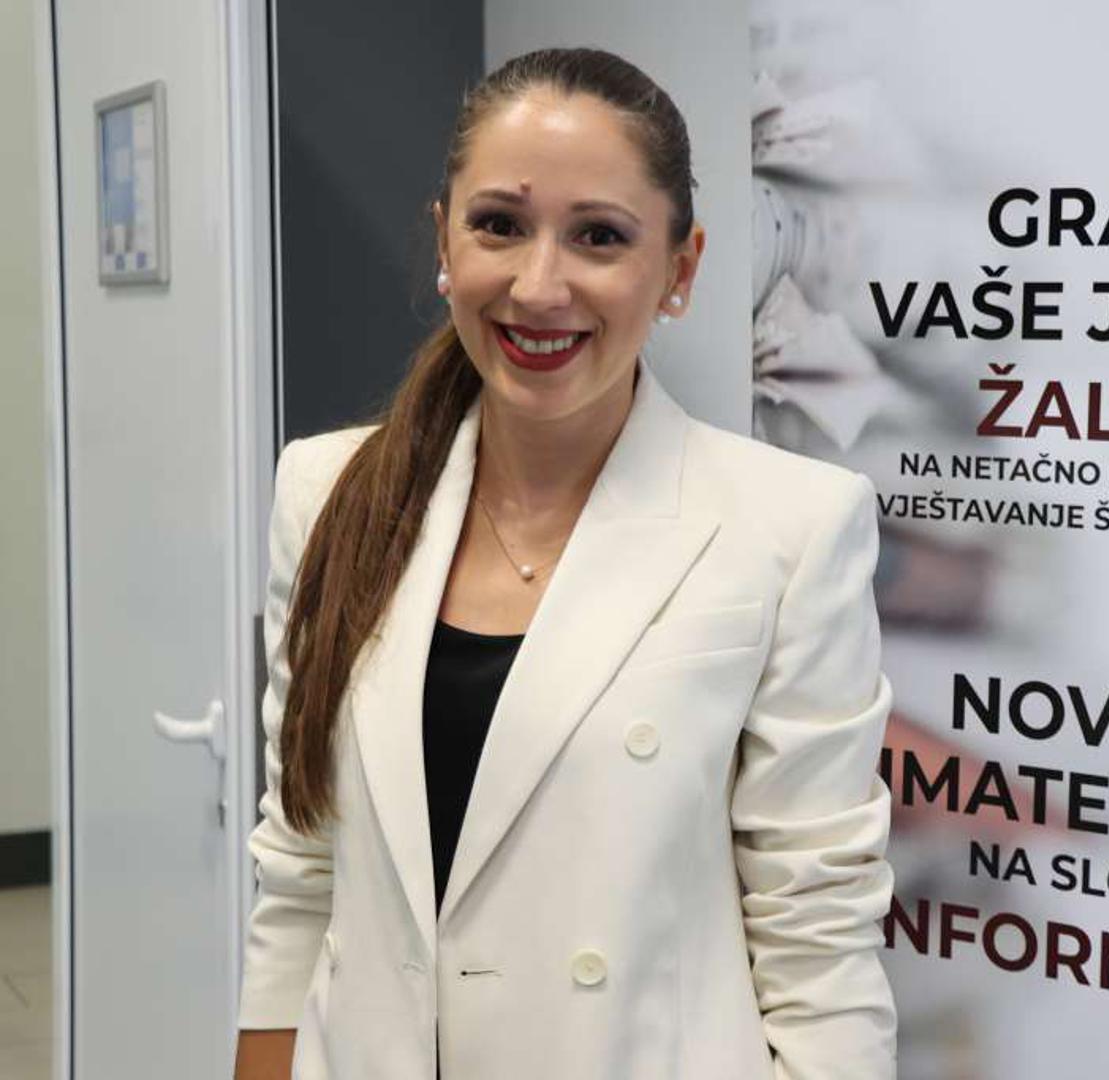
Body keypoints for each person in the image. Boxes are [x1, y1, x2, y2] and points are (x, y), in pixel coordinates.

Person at [233, 47, 897, 1080]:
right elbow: (301, 859)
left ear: (679, 270)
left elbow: (817, 930)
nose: (538, 286)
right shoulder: (328, 492)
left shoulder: (786, 528)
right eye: (499, 224)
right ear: (444, 241)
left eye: (599, 236)